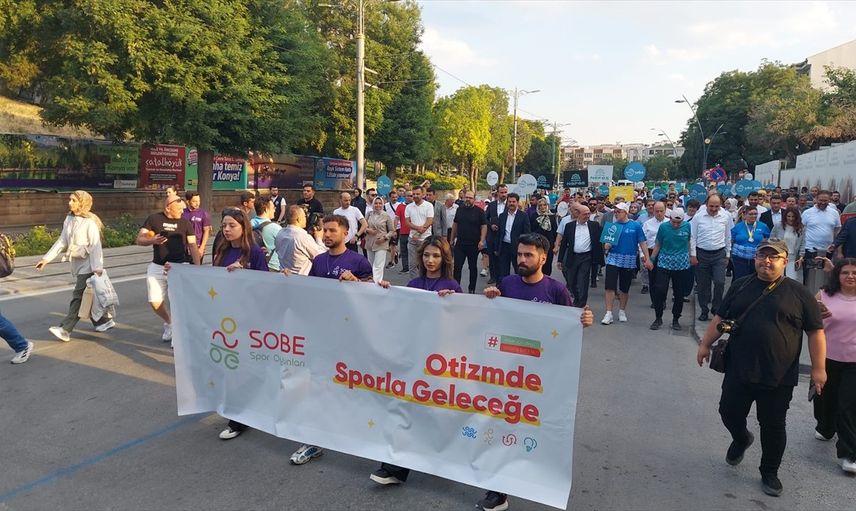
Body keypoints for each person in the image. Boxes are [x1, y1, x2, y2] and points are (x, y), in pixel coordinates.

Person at [696, 239, 826, 497]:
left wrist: (818, 368)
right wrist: (705, 345)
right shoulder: (741, 285)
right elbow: (720, 317)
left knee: (773, 426)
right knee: (728, 412)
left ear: (785, 260)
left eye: (773, 257)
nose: (766, 261)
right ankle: (742, 438)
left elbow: (816, 332)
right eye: (762, 255)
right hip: (739, 368)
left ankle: (769, 472)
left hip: (778, 375)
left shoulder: (799, 293)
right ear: (755, 258)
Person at [478, 233, 594, 511]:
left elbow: (569, 327)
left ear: (543, 258)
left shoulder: (556, 291)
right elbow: (489, 321)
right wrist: (490, 298)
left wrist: (584, 320)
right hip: (507, 374)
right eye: (519, 254)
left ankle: (541, 481)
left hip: (539, 379)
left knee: (533, 433)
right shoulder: (506, 284)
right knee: (503, 427)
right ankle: (498, 491)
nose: (522, 259)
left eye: (528, 255)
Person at [369, 236, 462, 486]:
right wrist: (387, 294)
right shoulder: (413, 284)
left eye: (436, 256)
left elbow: (460, 325)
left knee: (435, 415)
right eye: (426, 255)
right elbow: (401, 317)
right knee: (405, 411)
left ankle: (447, 459)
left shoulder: (452, 286)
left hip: (439, 362)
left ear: (445, 258)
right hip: (413, 359)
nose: (430, 260)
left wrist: (452, 304)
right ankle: (394, 468)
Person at [290, 214, 374, 465]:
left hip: (350, 338)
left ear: (346, 233)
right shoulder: (318, 260)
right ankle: (313, 441)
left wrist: (356, 282)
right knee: (317, 386)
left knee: (351, 389)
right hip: (322, 336)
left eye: (332, 230)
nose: (326, 234)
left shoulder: (358, 261)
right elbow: (310, 293)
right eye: (324, 230)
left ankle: (362, 431)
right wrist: (286, 280)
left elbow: (373, 299)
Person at [205, 208, 269, 440]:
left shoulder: (253, 251)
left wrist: (245, 275)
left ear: (244, 227)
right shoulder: (221, 250)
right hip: (226, 320)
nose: (227, 229)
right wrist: (176, 272)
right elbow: (211, 281)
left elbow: (265, 284)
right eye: (224, 225)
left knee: (244, 369)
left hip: (248, 321)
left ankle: (241, 417)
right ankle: (238, 415)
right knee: (230, 368)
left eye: (232, 225)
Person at [36, 191, 114, 341]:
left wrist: (97, 268)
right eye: (70, 199)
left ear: (82, 203)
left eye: (73, 200)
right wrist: (46, 259)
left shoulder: (90, 222)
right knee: (89, 296)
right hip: (77, 263)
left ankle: (65, 329)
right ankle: (103, 321)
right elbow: (62, 241)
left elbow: (96, 246)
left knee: (79, 297)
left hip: (89, 266)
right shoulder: (69, 218)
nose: (70, 202)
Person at [136, 196, 200, 343]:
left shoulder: (185, 223)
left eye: (183, 209)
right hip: (157, 266)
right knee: (155, 301)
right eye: (179, 209)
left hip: (179, 266)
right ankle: (169, 322)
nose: (182, 211)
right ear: (168, 208)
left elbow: (192, 245)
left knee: (177, 302)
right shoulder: (153, 219)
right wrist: (152, 240)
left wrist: (197, 269)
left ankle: (178, 334)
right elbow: (139, 239)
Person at [813, 258, 856, 474]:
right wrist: (816, 313)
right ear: (837, 275)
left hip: (854, 363)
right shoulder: (824, 295)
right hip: (826, 358)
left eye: (854, 273)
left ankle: (849, 453)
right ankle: (826, 427)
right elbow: (807, 319)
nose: (850, 276)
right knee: (825, 401)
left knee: (848, 406)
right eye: (845, 272)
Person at [601, 203, 651, 325]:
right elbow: (605, 245)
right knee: (609, 286)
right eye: (615, 212)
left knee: (624, 288)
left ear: (625, 212)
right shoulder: (612, 226)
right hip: (613, 258)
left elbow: (642, 242)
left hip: (628, 259)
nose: (616, 214)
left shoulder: (635, 225)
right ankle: (608, 313)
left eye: (619, 211)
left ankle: (622, 311)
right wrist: (607, 245)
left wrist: (647, 258)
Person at [690, 195, 733, 321]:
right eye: (711, 206)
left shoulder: (726, 217)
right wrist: (693, 255)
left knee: (720, 282)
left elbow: (728, 236)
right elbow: (692, 237)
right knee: (703, 285)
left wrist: (728, 254)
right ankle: (704, 310)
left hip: (719, 254)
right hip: (701, 254)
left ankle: (716, 308)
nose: (714, 209)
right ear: (706, 205)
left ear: (721, 205)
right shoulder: (698, 217)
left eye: (717, 206)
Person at [649, 209, 691, 331]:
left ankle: (676, 318)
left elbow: (689, 242)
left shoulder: (687, 226)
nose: (676, 225)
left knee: (679, 293)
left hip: (681, 263)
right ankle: (658, 317)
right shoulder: (663, 227)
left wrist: (691, 256)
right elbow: (658, 244)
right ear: (670, 219)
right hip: (664, 262)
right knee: (660, 290)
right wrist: (651, 259)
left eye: (679, 223)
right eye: (673, 222)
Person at [556, 202, 603, 308]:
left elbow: (603, 236)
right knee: (571, 281)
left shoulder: (594, 225)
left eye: (588, 213)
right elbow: (564, 243)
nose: (587, 216)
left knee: (583, 281)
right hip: (573, 257)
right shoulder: (569, 226)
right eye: (585, 214)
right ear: (578, 214)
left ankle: (581, 304)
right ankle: (577, 298)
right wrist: (560, 259)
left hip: (586, 257)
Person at [801, 191, 842, 290]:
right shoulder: (807, 213)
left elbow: (837, 232)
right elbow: (801, 230)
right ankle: (808, 294)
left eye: (825, 200)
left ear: (829, 200)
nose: (823, 202)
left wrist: (839, 250)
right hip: (810, 249)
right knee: (810, 276)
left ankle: (824, 295)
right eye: (820, 200)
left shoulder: (834, 213)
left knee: (826, 276)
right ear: (816, 199)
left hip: (828, 250)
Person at [450, 190, 487, 294]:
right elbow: (455, 224)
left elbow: (484, 226)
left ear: (474, 199)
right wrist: (452, 239)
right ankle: (456, 289)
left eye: (470, 198)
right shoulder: (459, 210)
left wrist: (482, 241)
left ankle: (472, 289)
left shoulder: (480, 211)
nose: (468, 199)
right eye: (466, 197)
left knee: (472, 268)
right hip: (460, 244)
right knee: (457, 267)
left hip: (473, 245)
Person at [275, 205, 326, 275]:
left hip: (284, 274)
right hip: (301, 277)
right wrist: (319, 238)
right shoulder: (302, 236)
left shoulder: (280, 233)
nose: (306, 218)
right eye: (305, 216)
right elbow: (320, 256)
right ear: (299, 219)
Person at [495, 193, 531, 280]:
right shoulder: (502, 216)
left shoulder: (523, 216)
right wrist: (496, 248)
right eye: (509, 201)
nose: (511, 203)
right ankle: (503, 286)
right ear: (507, 202)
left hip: (517, 247)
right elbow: (499, 233)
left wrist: (525, 248)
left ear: (517, 202)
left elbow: (527, 233)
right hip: (504, 247)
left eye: (513, 202)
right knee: (503, 271)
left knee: (519, 270)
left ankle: (520, 286)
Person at [730, 206, 771, 280]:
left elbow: (768, 240)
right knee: (740, 279)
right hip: (739, 258)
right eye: (751, 214)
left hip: (756, 258)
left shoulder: (763, 226)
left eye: (755, 214)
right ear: (745, 215)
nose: (753, 216)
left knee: (755, 279)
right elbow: (731, 240)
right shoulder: (738, 226)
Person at [404, 186, 434, 279]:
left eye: (418, 194)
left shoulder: (428, 206)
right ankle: (414, 283)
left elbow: (429, 221)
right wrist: (418, 229)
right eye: (413, 194)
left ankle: (425, 282)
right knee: (412, 264)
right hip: (412, 239)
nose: (415, 196)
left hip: (425, 240)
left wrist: (419, 233)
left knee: (424, 263)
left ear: (423, 194)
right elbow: (407, 222)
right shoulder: (409, 207)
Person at [364, 196, 396, 282]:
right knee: (371, 264)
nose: (378, 205)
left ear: (382, 204)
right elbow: (363, 227)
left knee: (378, 265)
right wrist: (368, 230)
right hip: (370, 242)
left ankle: (377, 282)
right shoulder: (369, 214)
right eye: (376, 203)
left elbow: (392, 231)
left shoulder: (386, 215)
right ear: (373, 204)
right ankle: (371, 280)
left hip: (381, 242)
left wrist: (385, 238)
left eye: (380, 203)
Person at [771, 207, 805, 281]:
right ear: (785, 216)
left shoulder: (801, 228)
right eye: (789, 216)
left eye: (793, 216)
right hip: (779, 256)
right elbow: (771, 240)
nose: (791, 218)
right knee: (777, 278)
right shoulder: (778, 226)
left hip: (793, 257)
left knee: (792, 279)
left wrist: (801, 256)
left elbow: (803, 243)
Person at [641, 201, 667, 296]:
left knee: (664, 279)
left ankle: (662, 299)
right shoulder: (647, 224)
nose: (659, 213)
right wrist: (643, 255)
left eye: (661, 211)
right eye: (657, 211)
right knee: (653, 278)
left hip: (665, 253)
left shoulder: (669, 223)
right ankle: (654, 300)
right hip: (651, 252)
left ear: (665, 210)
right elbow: (642, 240)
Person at [484, 184, 508, 284]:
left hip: (504, 236)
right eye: (501, 192)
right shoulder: (491, 205)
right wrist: (491, 225)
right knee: (492, 257)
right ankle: (493, 276)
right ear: (497, 193)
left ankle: (503, 278)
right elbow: (485, 218)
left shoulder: (510, 204)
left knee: (503, 258)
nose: (504, 194)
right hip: (492, 235)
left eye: (505, 192)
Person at [253, 196, 283, 271]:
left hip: (255, 264)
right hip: (273, 266)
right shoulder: (275, 228)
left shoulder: (249, 224)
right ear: (266, 209)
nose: (274, 210)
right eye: (273, 208)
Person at [182, 191, 212, 264]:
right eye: (194, 201)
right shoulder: (182, 213)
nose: (197, 203)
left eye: (198, 201)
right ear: (188, 202)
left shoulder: (204, 214)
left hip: (197, 246)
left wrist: (202, 248)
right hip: (183, 247)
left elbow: (206, 231)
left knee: (196, 268)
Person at [530, 197, 557, 276]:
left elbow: (555, 231)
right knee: (538, 262)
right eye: (540, 205)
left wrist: (556, 245)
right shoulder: (534, 216)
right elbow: (531, 230)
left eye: (544, 205)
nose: (543, 207)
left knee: (548, 263)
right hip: (538, 243)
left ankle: (547, 279)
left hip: (549, 244)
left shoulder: (551, 216)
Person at [395, 189, 413, 273]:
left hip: (413, 232)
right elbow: (396, 218)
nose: (409, 197)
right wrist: (394, 230)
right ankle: (405, 268)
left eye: (411, 196)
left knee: (413, 252)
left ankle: (414, 267)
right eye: (408, 196)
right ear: (404, 196)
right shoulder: (400, 206)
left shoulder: (415, 206)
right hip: (403, 232)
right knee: (404, 251)